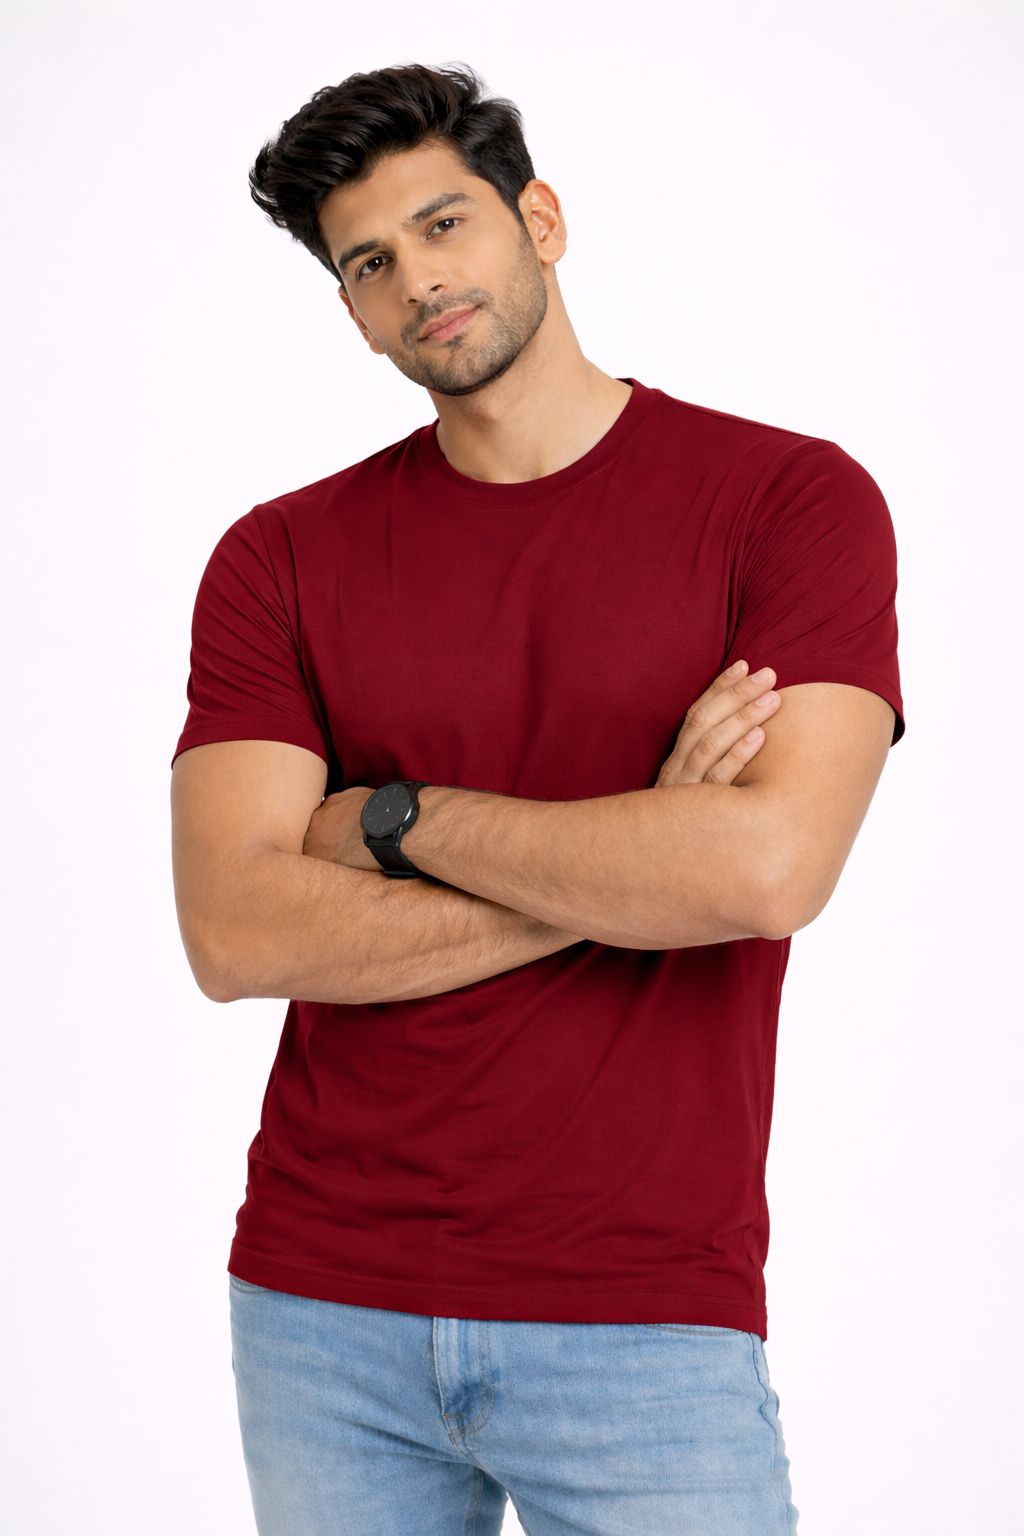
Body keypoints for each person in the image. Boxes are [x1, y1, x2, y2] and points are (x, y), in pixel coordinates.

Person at [171, 63, 902, 1536]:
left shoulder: (788, 501)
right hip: (322, 1307)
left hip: (645, 1314)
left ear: (542, 220)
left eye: (445, 223)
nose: (417, 280)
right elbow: (235, 934)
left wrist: (393, 821)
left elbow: (766, 873)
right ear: (351, 311)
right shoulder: (279, 557)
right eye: (368, 263)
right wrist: (640, 854)